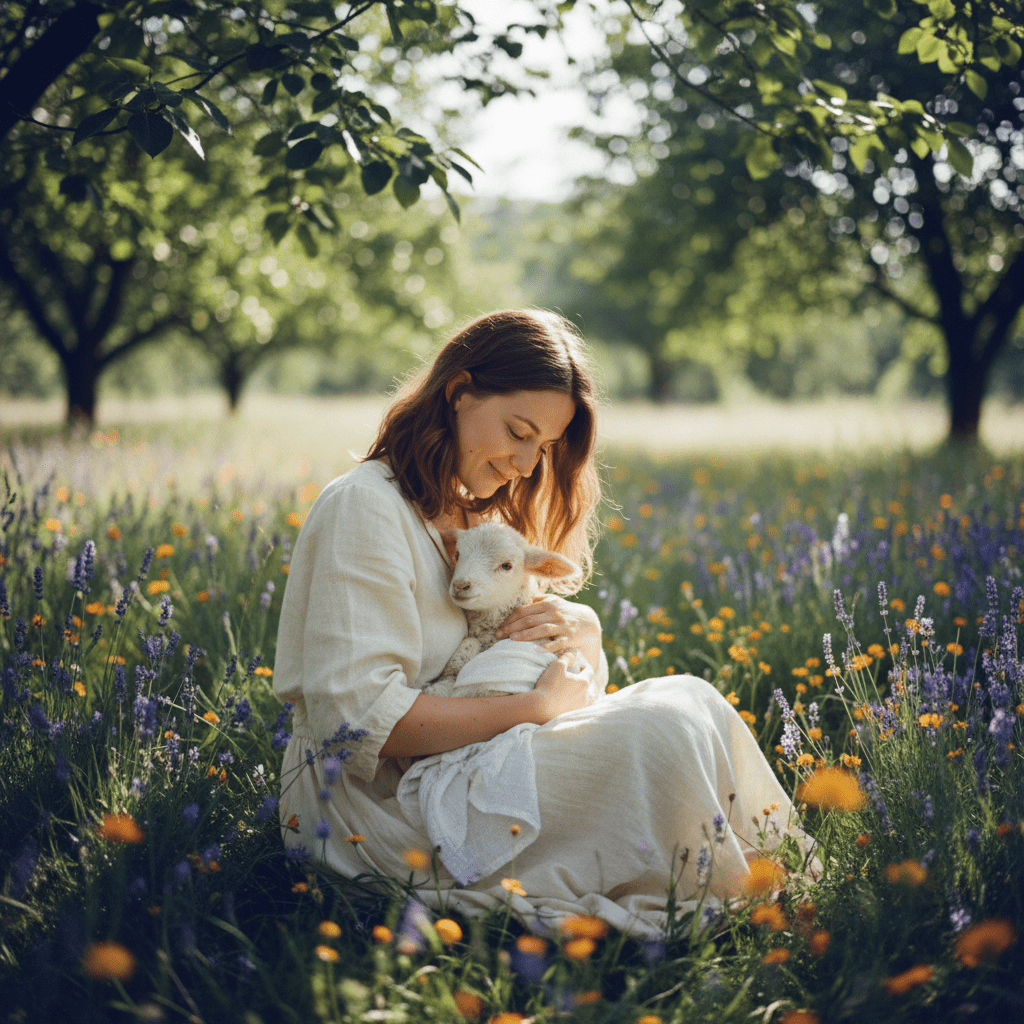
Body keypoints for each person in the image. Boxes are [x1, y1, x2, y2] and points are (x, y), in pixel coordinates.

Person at [273, 309, 806, 937]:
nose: (527, 466)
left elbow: (505, 658)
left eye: (543, 447)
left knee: (692, 698)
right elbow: (356, 721)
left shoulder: (471, 517)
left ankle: (777, 877)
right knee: (658, 734)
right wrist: (533, 709)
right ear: (459, 392)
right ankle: (746, 900)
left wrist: (578, 635)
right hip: (376, 807)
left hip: (461, 763)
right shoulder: (364, 507)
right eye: (518, 431)